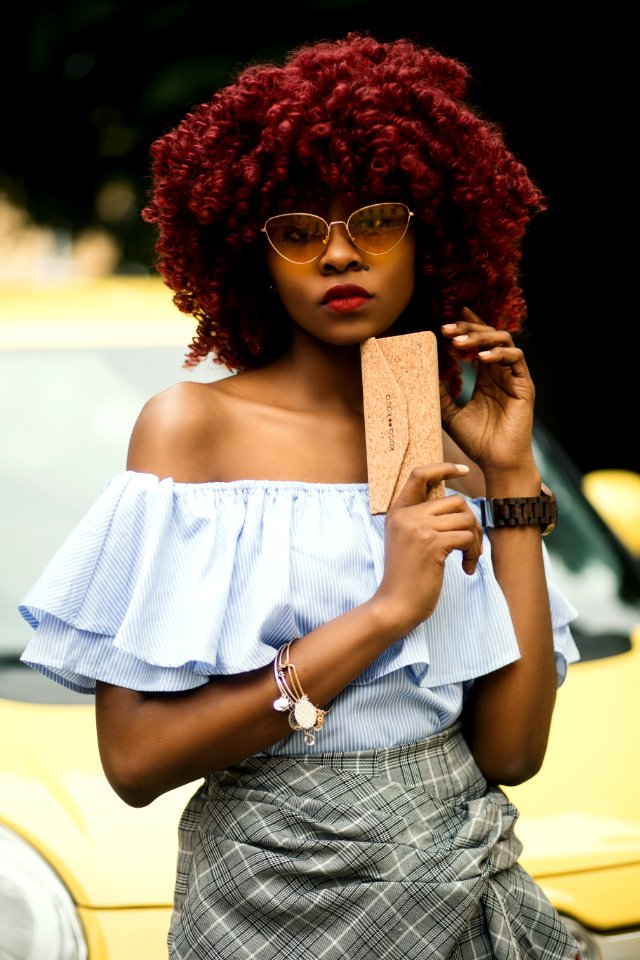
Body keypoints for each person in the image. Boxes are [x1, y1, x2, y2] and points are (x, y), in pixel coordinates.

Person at [18, 32, 581, 959]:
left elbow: (512, 754)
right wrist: (385, 612)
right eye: (298, 230)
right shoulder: (193, 430)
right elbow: (134, 762)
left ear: (430, 235)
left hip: (458, 900)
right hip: (265, 907)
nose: (338, 255)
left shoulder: (434, 440)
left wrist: (513, 480)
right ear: (254, 254)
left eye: (376, 220)